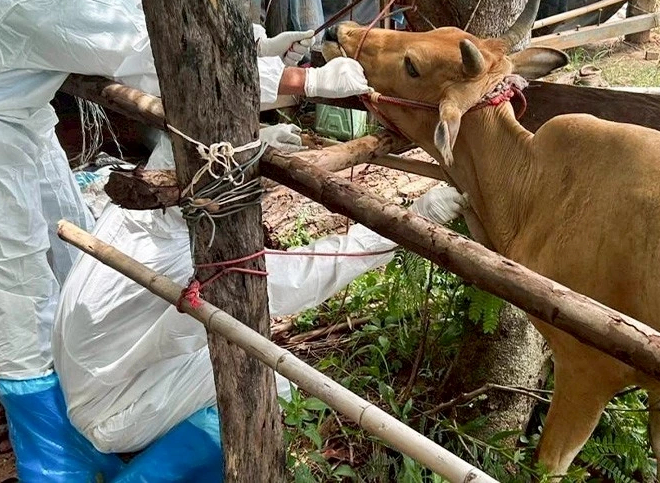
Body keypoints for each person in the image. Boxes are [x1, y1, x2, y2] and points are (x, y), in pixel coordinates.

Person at [0, 0, 373, 481]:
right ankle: (50, 456)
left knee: (67, 249)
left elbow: (160, 24)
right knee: (16, 274)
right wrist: (302, 82)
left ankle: (74, 403)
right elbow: (165, 63)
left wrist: (256, 46)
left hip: (18, 110)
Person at [52, 145, 466, 483]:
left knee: (215, 335)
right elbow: (310, 272)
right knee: (272, 373)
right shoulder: (190, 265)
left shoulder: (126, 217)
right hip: (113, 415)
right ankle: (219, 461)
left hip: (91, 378)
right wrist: (416, 220)